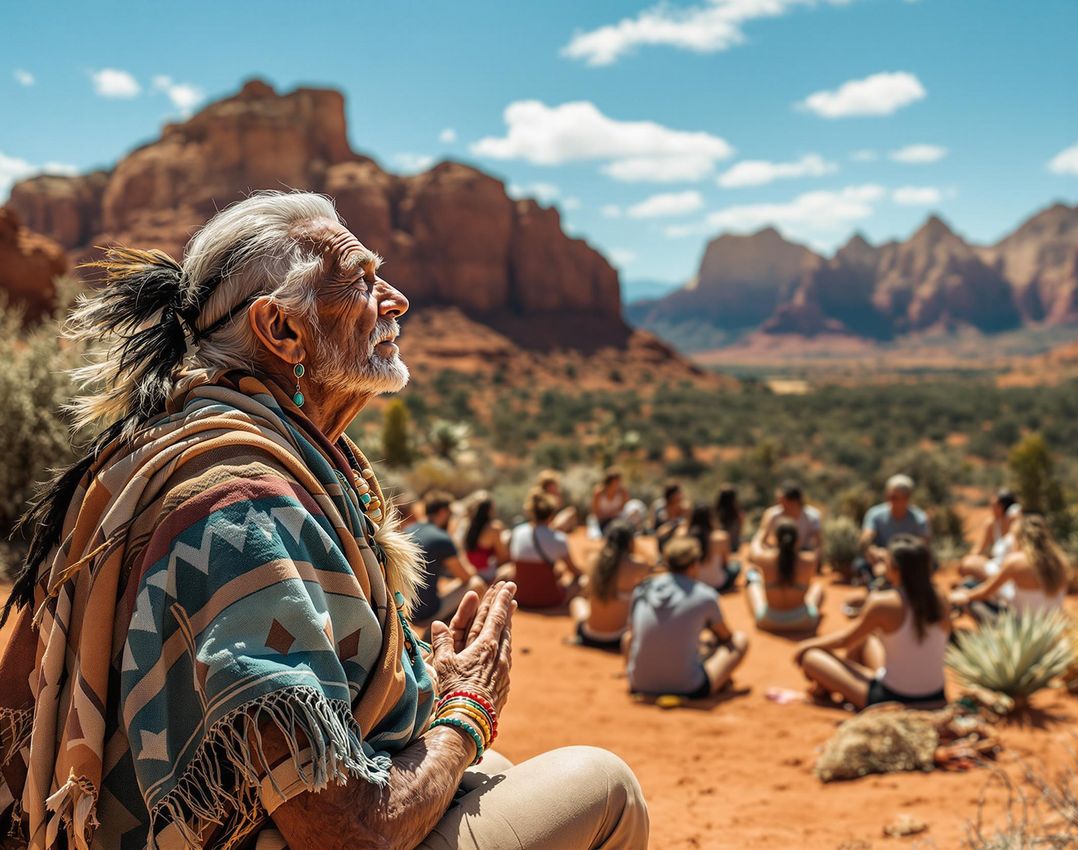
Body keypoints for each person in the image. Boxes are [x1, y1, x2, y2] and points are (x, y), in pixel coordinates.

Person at [0, 192, 647, 849]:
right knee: (605, 786)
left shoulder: (204, 442)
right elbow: (348, 833)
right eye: (362, 280)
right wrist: (467, 709)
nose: (395, 299)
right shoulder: (245, 509)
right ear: (281, 330)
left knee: (499, 775)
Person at [795, 536, 949, 710]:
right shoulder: (940, 599)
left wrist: (805, 646)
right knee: (866, 640)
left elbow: (845, 640)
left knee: (810, 657)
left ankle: (835, 691)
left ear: (895, 569)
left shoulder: (883, 602)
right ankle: (836, 689)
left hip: (893, 699)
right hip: (936, 695)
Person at [625, 536, 749, 699]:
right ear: (694, 565)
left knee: (629, 638)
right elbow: (726, 637)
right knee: (740, 640)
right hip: (689, 687)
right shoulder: (705, 595)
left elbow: (632, 634)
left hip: (639, 683)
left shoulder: (643, 588)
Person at [952, 514, 1068, 617]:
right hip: (1051, 627)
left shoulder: (1015, 561)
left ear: (1020, 538)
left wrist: (964, 596)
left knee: (968, 587)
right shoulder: (1061, 560)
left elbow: (985, 592)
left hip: (1021, 628)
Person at [407, 491, 489, 626]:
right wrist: (455, 544)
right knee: (476, 583)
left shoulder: (409, 529)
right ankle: (452, 631)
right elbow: (467, 576)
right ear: (443, 512)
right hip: (425, 614)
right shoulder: (442, 539)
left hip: (404, 609)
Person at [570, 520, 652, 651]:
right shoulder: (638, 566)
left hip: (588, 636)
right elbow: (651, 561)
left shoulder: (593, 560)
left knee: (577, 602)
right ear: (630, 542)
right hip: (618, 639)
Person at [746, 518, 823, 633]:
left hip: (768, 622)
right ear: (797, 539)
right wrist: (816, 535)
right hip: (803, 622)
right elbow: (819, 548)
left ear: (776, 539)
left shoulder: (765, 559)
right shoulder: (809, 561)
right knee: (818, 588)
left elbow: (753, 549)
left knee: (753, 586)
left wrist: (763, 530)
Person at [510, 490, 584, 608]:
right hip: (550, 600)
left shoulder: (517, 532)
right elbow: (573, 570)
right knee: (582, 582)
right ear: (551, 515)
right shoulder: (559, 539)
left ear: (532, 513)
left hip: (521, 597)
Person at [856, 474, 930, 587]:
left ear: (907, 498)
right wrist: (874, 553)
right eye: (889, 496)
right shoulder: (875, 514)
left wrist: (890, 561)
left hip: (906, 563)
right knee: (860, 565)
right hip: (878, 560)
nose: (890, 500)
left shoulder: (919, 518)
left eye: (895, 497)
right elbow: (866, 540)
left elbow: (922, 548)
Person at [959, 490, 1017, 581]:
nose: (991, 508)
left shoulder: (1017, 525)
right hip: (995, 568)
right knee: (968, 564)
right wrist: (970, 557)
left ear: (1001, 507)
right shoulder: (992, 524)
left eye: (994, 505)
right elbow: (980, 548)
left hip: (1010, 570)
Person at [459, 490, 515, 585]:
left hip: (472, 570)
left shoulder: (466, 525)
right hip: (487, 573)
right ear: (489, 510)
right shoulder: (494, 528)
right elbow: (503, 557)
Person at [683, 503, 739, 593]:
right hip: (718, 585)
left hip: (693, 585)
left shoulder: (684, 537)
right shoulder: (721, 537)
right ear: (710, 518)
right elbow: (725, 563)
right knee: (736, 566)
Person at [759, 481, 823, 558]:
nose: (779, 502)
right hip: (778, 553)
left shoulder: (813, 516)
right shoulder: (772, 515)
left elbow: (818, 544)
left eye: (782, 500)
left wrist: (810, 559)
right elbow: (762, 541)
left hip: (803, 554)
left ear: (794, 501)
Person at [537, 468, 579, 534]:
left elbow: (558, 510)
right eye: (553, 484)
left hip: (551, 524)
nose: (555, 487)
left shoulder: (555, 496)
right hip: (546, 526)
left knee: (571, 511)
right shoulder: (541, 498)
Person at [590, 468, 630, 535]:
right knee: (596, 536)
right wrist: (609, 516)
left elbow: (624, 509)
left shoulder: (623, 492)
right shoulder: (598, 493)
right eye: (616, 482)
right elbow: (596, 512)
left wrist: (612, 516)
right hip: (601, 521)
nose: (619, 484)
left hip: (617, 521)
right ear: (608, 483)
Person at [651, 481, 688, 549]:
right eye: (679, 493)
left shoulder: (685, 509)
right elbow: (654, 528)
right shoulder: (659, 508)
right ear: (671, 496)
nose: (682, 495)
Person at [714, 485, 745, 552]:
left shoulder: (716, 514)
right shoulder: (739, 514)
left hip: (719, 547)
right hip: (735, 546)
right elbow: (740, 530)